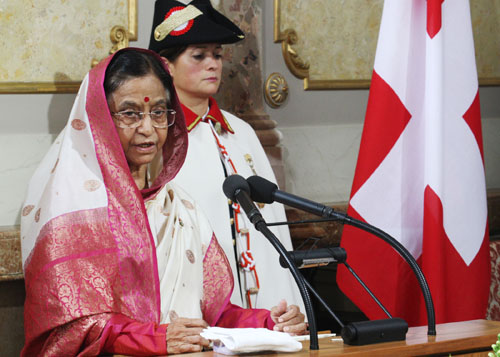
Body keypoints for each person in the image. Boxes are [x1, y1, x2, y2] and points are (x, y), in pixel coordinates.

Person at [20, 48, 306, 356]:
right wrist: (155, 339)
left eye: (158, 112)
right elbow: (74, 328)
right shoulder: (75, 212)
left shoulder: (179, 208)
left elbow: (213, 315)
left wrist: (266, 321)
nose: (148, 128)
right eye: (130, 113)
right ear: (100, 119)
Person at [149, 0, 304, 311]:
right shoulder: (155, 136)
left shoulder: (242, 132)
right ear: (167, 66)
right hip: (193, 300)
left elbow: (275, 225)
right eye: (199, 55)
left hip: (264, 300)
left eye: (217, 55)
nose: (213, 64)